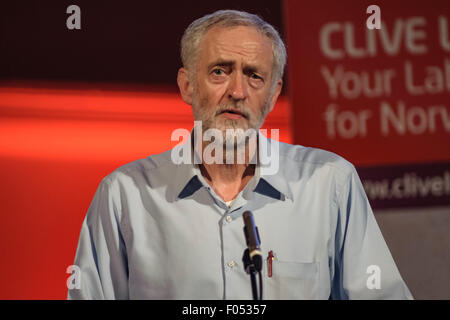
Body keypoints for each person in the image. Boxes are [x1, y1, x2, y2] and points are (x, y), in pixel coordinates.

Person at [68, 10, 413, 300]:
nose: (237, 91)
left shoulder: (329, 184)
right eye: (220, 71)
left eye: (254, 76)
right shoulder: (125, 195)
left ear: (274, 93)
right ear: (187, 85)